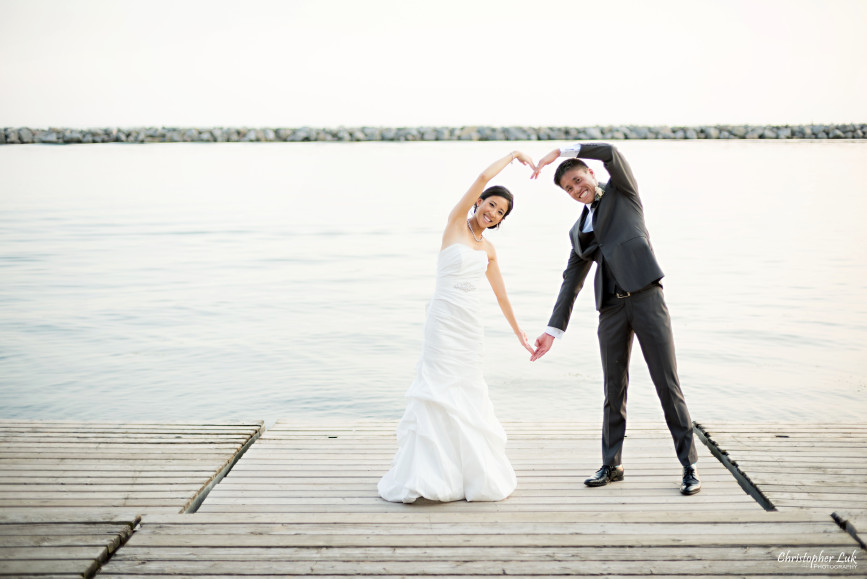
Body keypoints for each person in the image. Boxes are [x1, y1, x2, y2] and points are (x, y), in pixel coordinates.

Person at [529, 142, 701, 495]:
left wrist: (560, 152)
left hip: (646, 299)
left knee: (666, 384)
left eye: (579, 180)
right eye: (570, 189)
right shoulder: (578, 232)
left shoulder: (623, 193)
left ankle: (689, 467)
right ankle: (612, 464)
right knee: (613, 388)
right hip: (610, 309)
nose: (578, 190)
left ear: (591, 173)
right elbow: (570, 282)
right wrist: (552, 330)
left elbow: (611, 152)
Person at [378, 150, 536, 503]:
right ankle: (429, 472)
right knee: (436, 388)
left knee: (466, 391)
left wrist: (519, 333)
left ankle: (467, 473)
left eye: (499, 213)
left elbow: (501, 296)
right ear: (479, 202)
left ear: (500, 220)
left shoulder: (490, 250)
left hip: (469, 326)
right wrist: (512, 156)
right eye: (491, 205)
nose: (492, 213)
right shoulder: (454, 224)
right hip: (443, 321)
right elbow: (482, 177)